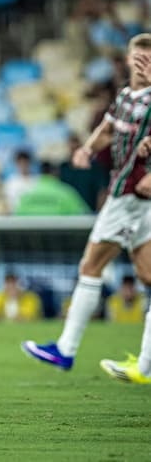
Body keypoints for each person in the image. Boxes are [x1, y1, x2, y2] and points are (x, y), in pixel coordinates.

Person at [23, 33, 151, 385]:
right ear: (127, 60)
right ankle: (144, 366)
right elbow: (109, 128)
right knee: (148, 277)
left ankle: (66, 349)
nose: (140, 65)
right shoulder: (126, 96)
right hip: (128, 195)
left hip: (128, 197)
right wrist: (88, 149)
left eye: (147, 60)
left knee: (90, 266)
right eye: (136, 58)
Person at [14, 161, 90, 216]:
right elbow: (83, 214)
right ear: (56, 172)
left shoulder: (27, 194)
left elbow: (17, 215)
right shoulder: (67, 192)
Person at [59, 134, 109, 211]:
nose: (74, 147)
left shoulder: (95, 169)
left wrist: (99, 213)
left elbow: (102, 192)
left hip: (89, 213)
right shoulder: (63, 168)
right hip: (68, 214)